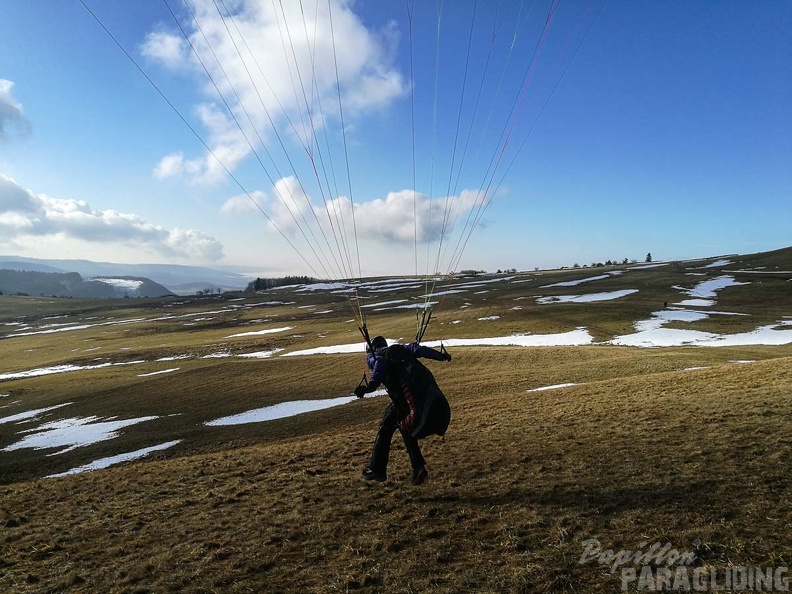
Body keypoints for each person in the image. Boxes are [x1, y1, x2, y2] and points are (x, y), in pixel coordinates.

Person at [354, 335, 452, 485]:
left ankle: (378, 470)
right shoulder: (400, 349)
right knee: (400, 426)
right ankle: (417, 468)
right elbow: (418, 349)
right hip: (417, 397)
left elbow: (379, 364)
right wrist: (441, 356)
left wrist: (370, 386)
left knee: (388, 428)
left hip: (404, 401)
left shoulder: (374, 356)